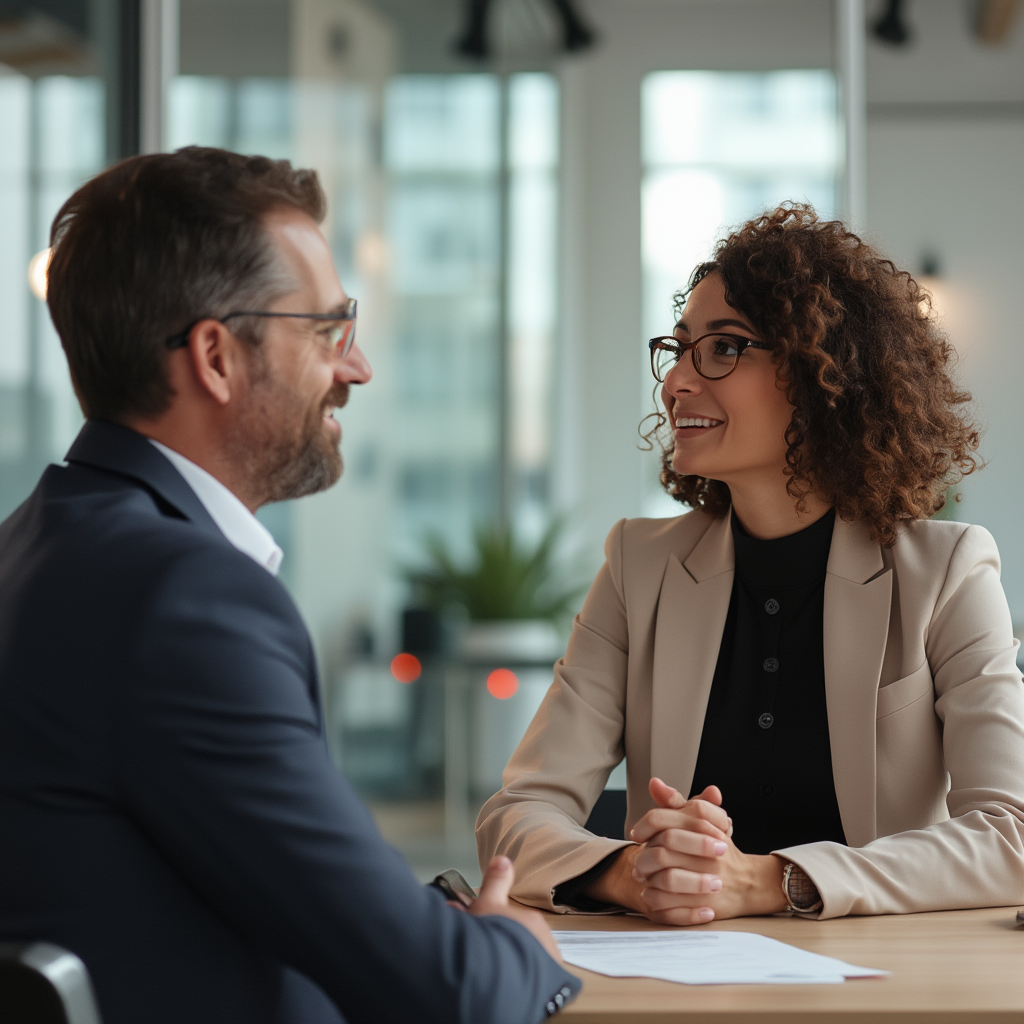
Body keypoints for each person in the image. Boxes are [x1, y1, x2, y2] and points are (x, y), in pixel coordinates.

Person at [0, 147, 580, 1024]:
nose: (357, 369)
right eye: (328, 332)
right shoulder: (183, 598)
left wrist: (419, 921)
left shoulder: (34, 546)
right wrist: (513, 949)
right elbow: (444, 992)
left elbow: (241, 880)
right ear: (217, 357)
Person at [477, 203, 1024, 925]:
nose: (677, 382)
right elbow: (518, 812)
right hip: (680, 977)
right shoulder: (638, 567)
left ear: (823, 373)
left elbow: (1010, 834)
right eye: (678, 349)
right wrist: (628, 873)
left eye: (724, 348)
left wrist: (768, 882)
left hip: (881, 982)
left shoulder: (947, 571)